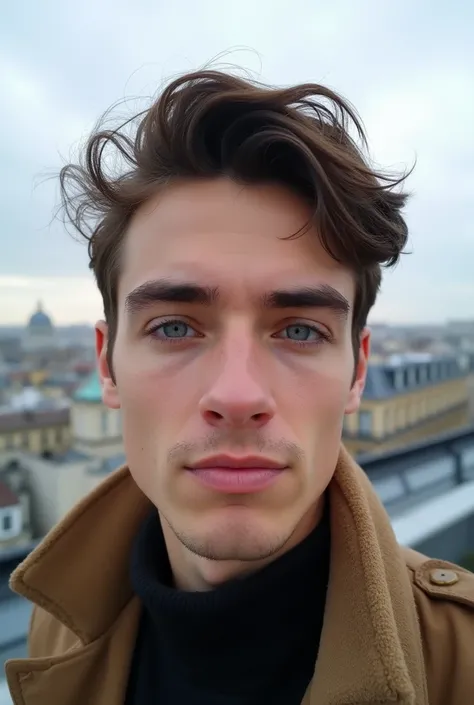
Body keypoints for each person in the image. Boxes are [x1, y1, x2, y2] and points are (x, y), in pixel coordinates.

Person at [5, 69, 474, 705]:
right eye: (174, 326)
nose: (238, 394)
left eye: (301, 331)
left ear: (358, 372)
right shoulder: (56, 625)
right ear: (107, 364)